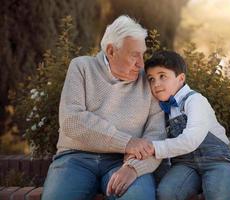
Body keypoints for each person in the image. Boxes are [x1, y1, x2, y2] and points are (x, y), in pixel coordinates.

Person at [41, 15, 166, 200]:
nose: (141, 63)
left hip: (125, 161)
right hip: (75, 159)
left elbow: (156, 135)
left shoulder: (147, 79)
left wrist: (134, 168)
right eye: (134, 55)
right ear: (111, 51)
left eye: (143, 54)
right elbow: (72, 120)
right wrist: (126, 142)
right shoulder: (82, 67)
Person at [144, 50, 230, 200]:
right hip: (185, 164)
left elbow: (191, 140)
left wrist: (153, 147)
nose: (156, 84)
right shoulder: (160, 108)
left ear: (181, 78)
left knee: (219, 195)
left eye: (162, 76)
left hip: (217, 160)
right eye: (151, 79)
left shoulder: (195, 101)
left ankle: (217, 179)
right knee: (166, 193)